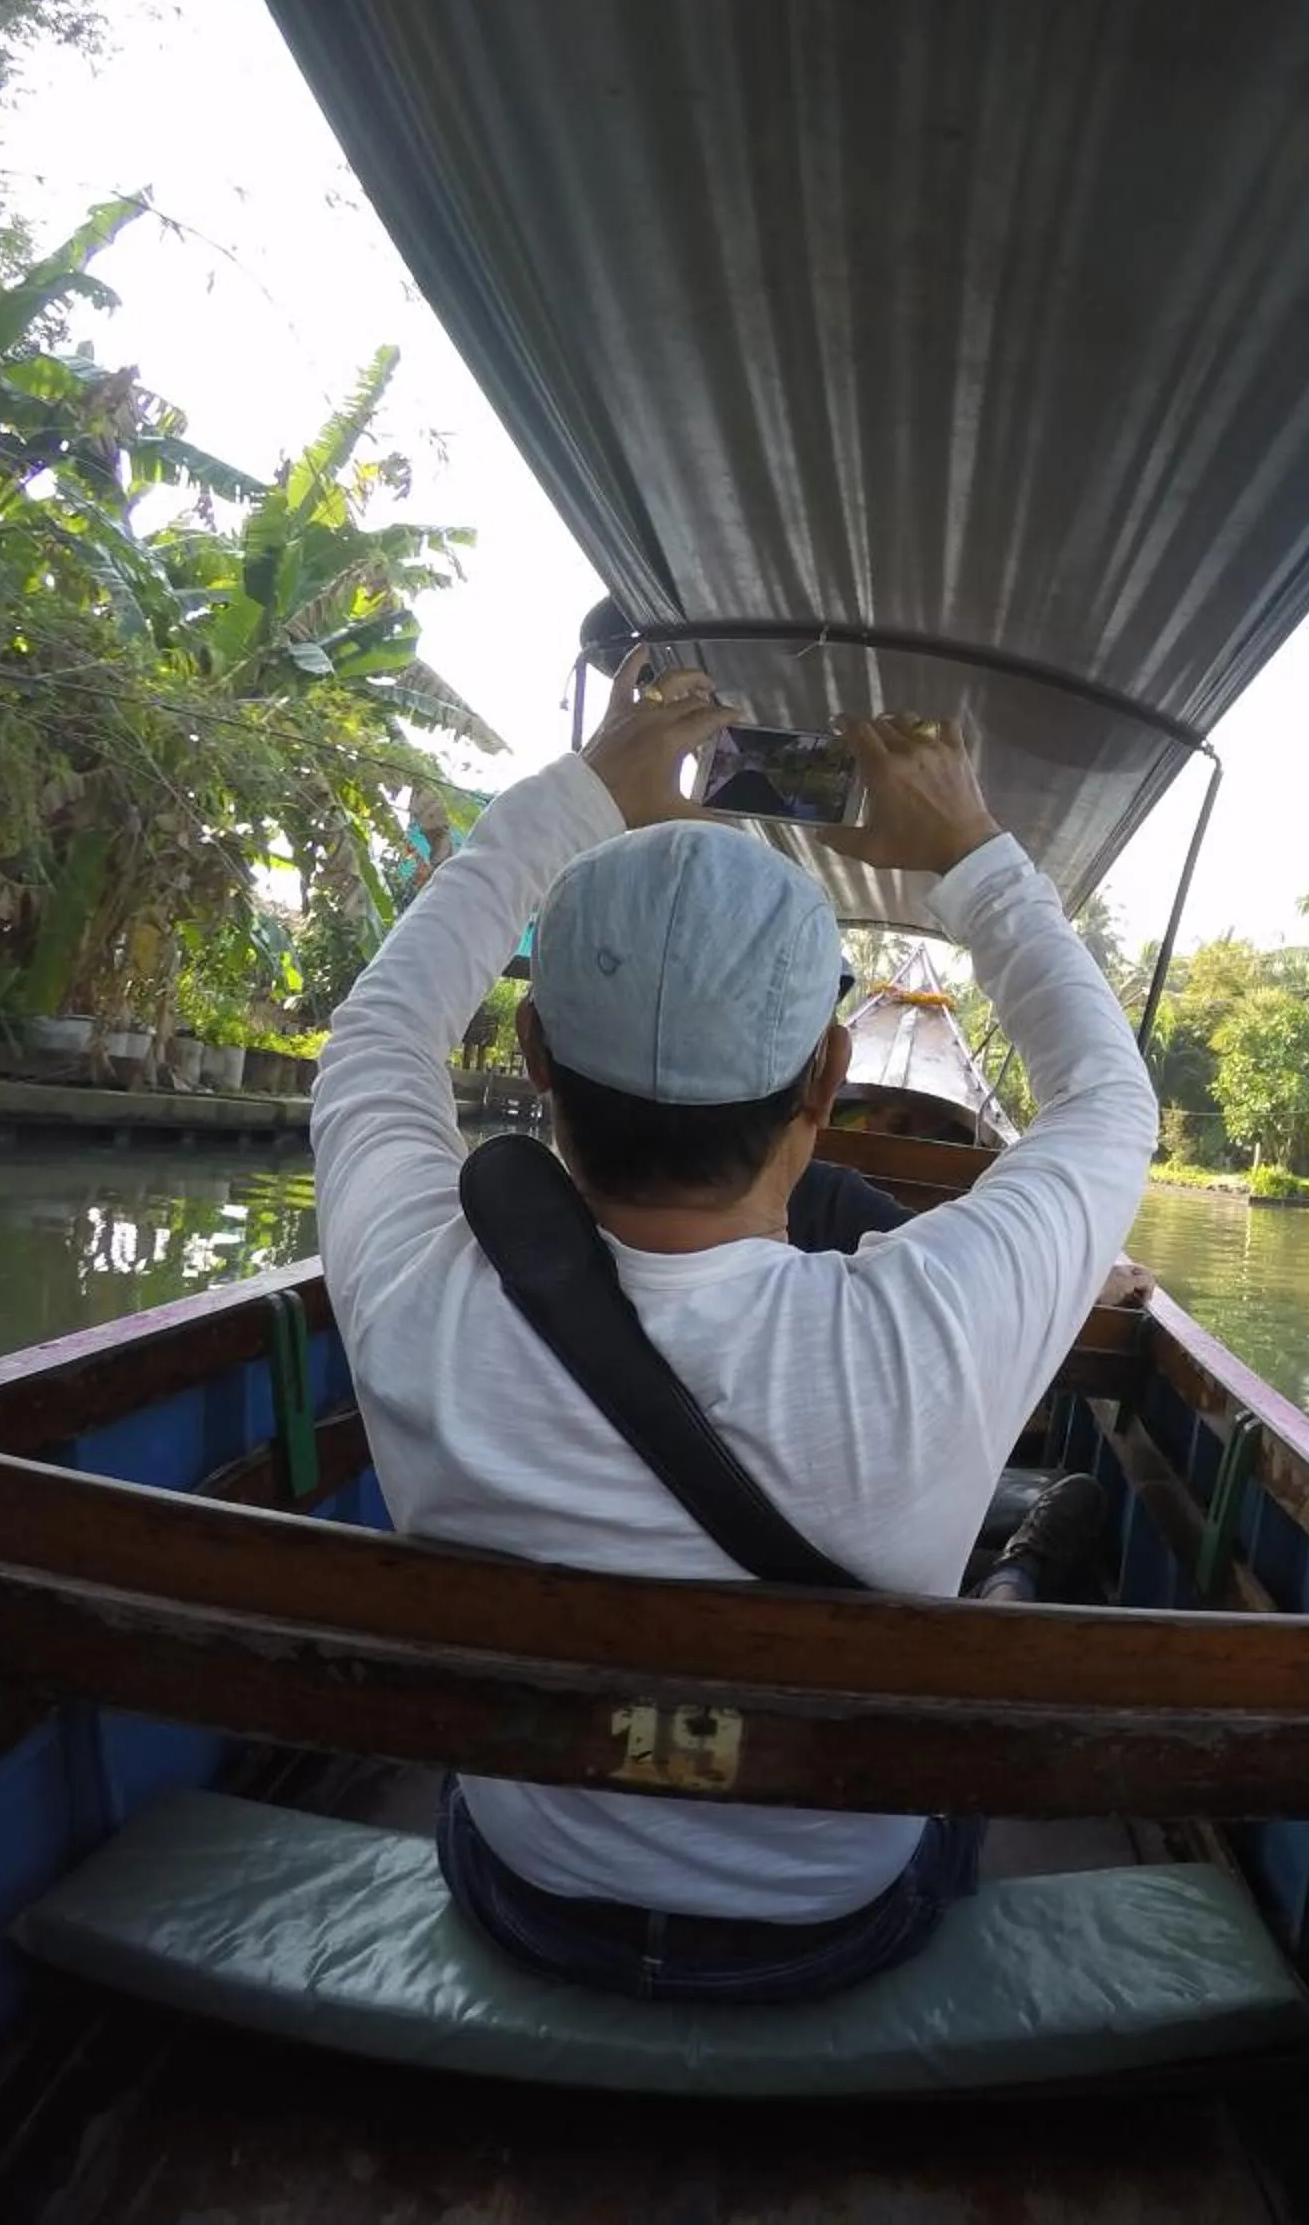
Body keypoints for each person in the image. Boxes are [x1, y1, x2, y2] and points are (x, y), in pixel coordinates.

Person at [311, 652, 1157, 2003]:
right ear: (828, 1074)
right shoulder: (937, 1316)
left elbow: (376, 1039)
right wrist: (972, 849)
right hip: (842, 1918)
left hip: (532, 1894)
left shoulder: (418, 1289)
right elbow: (1110, 1106)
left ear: (534, 1057)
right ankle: (1021, 1574)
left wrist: (579, 793)